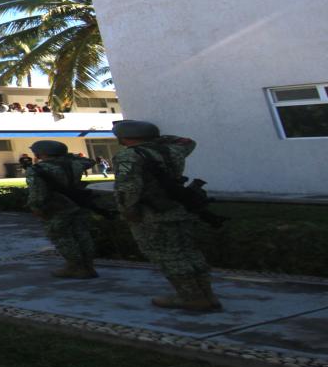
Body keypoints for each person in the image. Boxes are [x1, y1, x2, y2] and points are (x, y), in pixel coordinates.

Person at [112, 120, 222, 312]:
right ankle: (207, 294)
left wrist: (127, 210)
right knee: (189, 252)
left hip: (151, 211)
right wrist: (157, 137)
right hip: (177, 207)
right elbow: (188, 141)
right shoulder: (173, 150)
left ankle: (191, 297)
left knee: (168, 255)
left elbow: (127, 187)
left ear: (124, 138)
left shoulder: (128, 155)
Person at [26, 141, 98, 279]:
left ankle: (75, 267)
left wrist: (36, 207)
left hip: (56, 206)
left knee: (61, 236)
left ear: (42, 153)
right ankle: (88, 266)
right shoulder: (75, 164)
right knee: (82, 235)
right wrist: (67, 155)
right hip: (77, 203)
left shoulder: (38, 169)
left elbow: (37, 192)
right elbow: (89, 160)